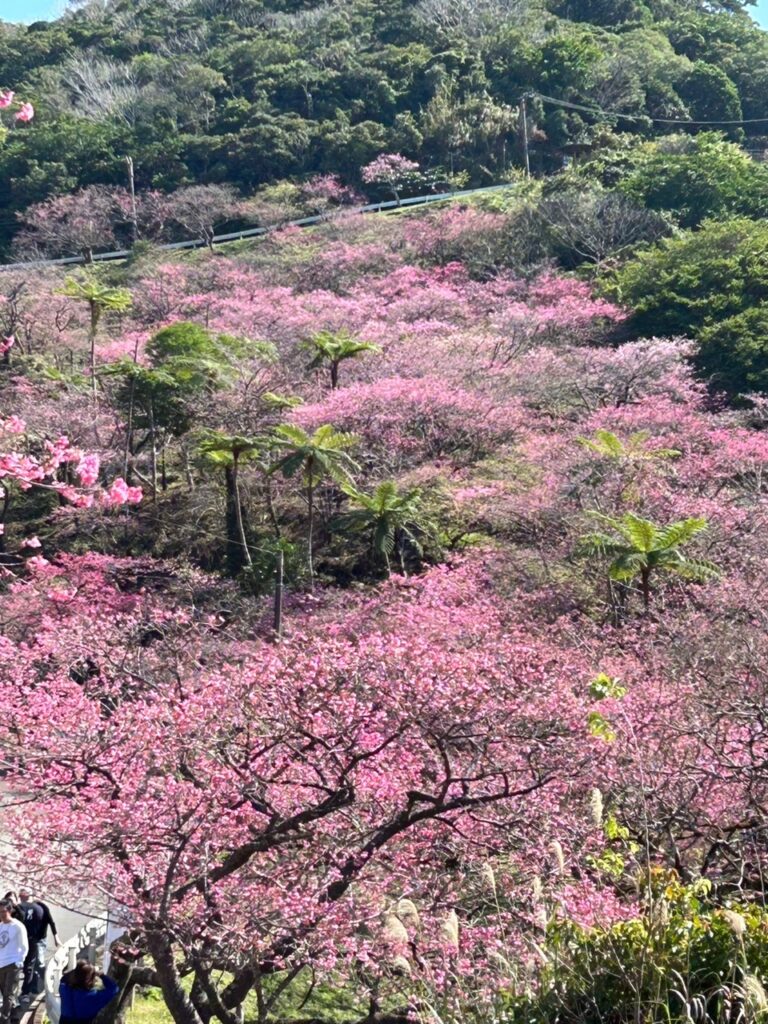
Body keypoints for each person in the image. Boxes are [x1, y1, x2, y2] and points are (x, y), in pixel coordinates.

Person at [17, 887, 60, 998]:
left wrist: (56, 937)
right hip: (28, 939)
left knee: (39, 963)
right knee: (30, 965)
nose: (20, 898)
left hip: (40, 939)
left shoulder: (41, 906)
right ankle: (33, 987)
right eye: (20, 896)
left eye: (22, 896)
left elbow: (51, 921)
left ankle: (50, 981)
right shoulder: (20, 908)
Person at [0, 899, 27, 1024]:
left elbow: (24, 945)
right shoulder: (0, 926)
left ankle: (4, 1019)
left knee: (8, 993)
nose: (1, 914)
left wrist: (19, 961)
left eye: (3, 912)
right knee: (4, 992)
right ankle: (14, 1013)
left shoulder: (18, 926)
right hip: (1, 963)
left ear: (10, 911)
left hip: (13, 964)